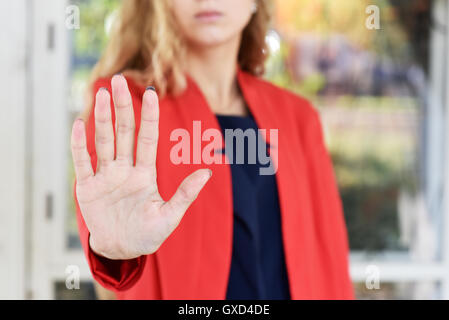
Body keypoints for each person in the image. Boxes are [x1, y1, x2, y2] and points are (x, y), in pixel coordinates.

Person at [71, 0, 354, 300]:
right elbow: (113, 251)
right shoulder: (127, 106)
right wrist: (113, 253)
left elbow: (329, 256)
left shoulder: (298, 118)